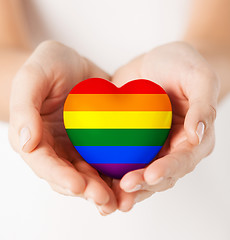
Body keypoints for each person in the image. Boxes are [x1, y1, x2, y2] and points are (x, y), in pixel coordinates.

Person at [0, 0, 229, 217]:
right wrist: (31, 91)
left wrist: (197, 76)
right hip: (32, 204)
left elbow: (221, 41)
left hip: (205, 199)